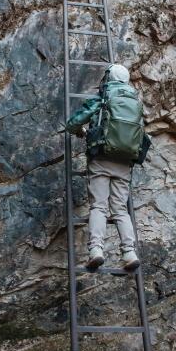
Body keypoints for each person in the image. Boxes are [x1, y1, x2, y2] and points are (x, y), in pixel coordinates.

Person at [66, 64, 151, 272]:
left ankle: (96, 250)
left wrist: (81, 131)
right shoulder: (136, 102)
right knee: (121, 210)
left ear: (108, 78)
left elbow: (73, 123)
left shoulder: (103, 99)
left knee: (99, 207)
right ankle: (129, 253)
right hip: (125, 162)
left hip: (102, 158)